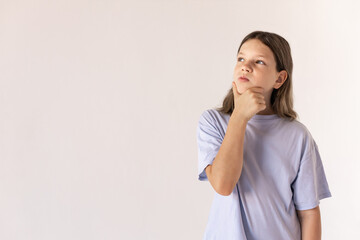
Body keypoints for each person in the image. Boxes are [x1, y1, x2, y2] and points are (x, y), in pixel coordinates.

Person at [196, 30, 332, 240]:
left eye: (258, 62)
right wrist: (240, 116)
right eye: (241, 58)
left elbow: (309, 212)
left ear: (279, 79)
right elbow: (223, 185)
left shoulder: (298, 136)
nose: (245, 66)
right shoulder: (213, 122)